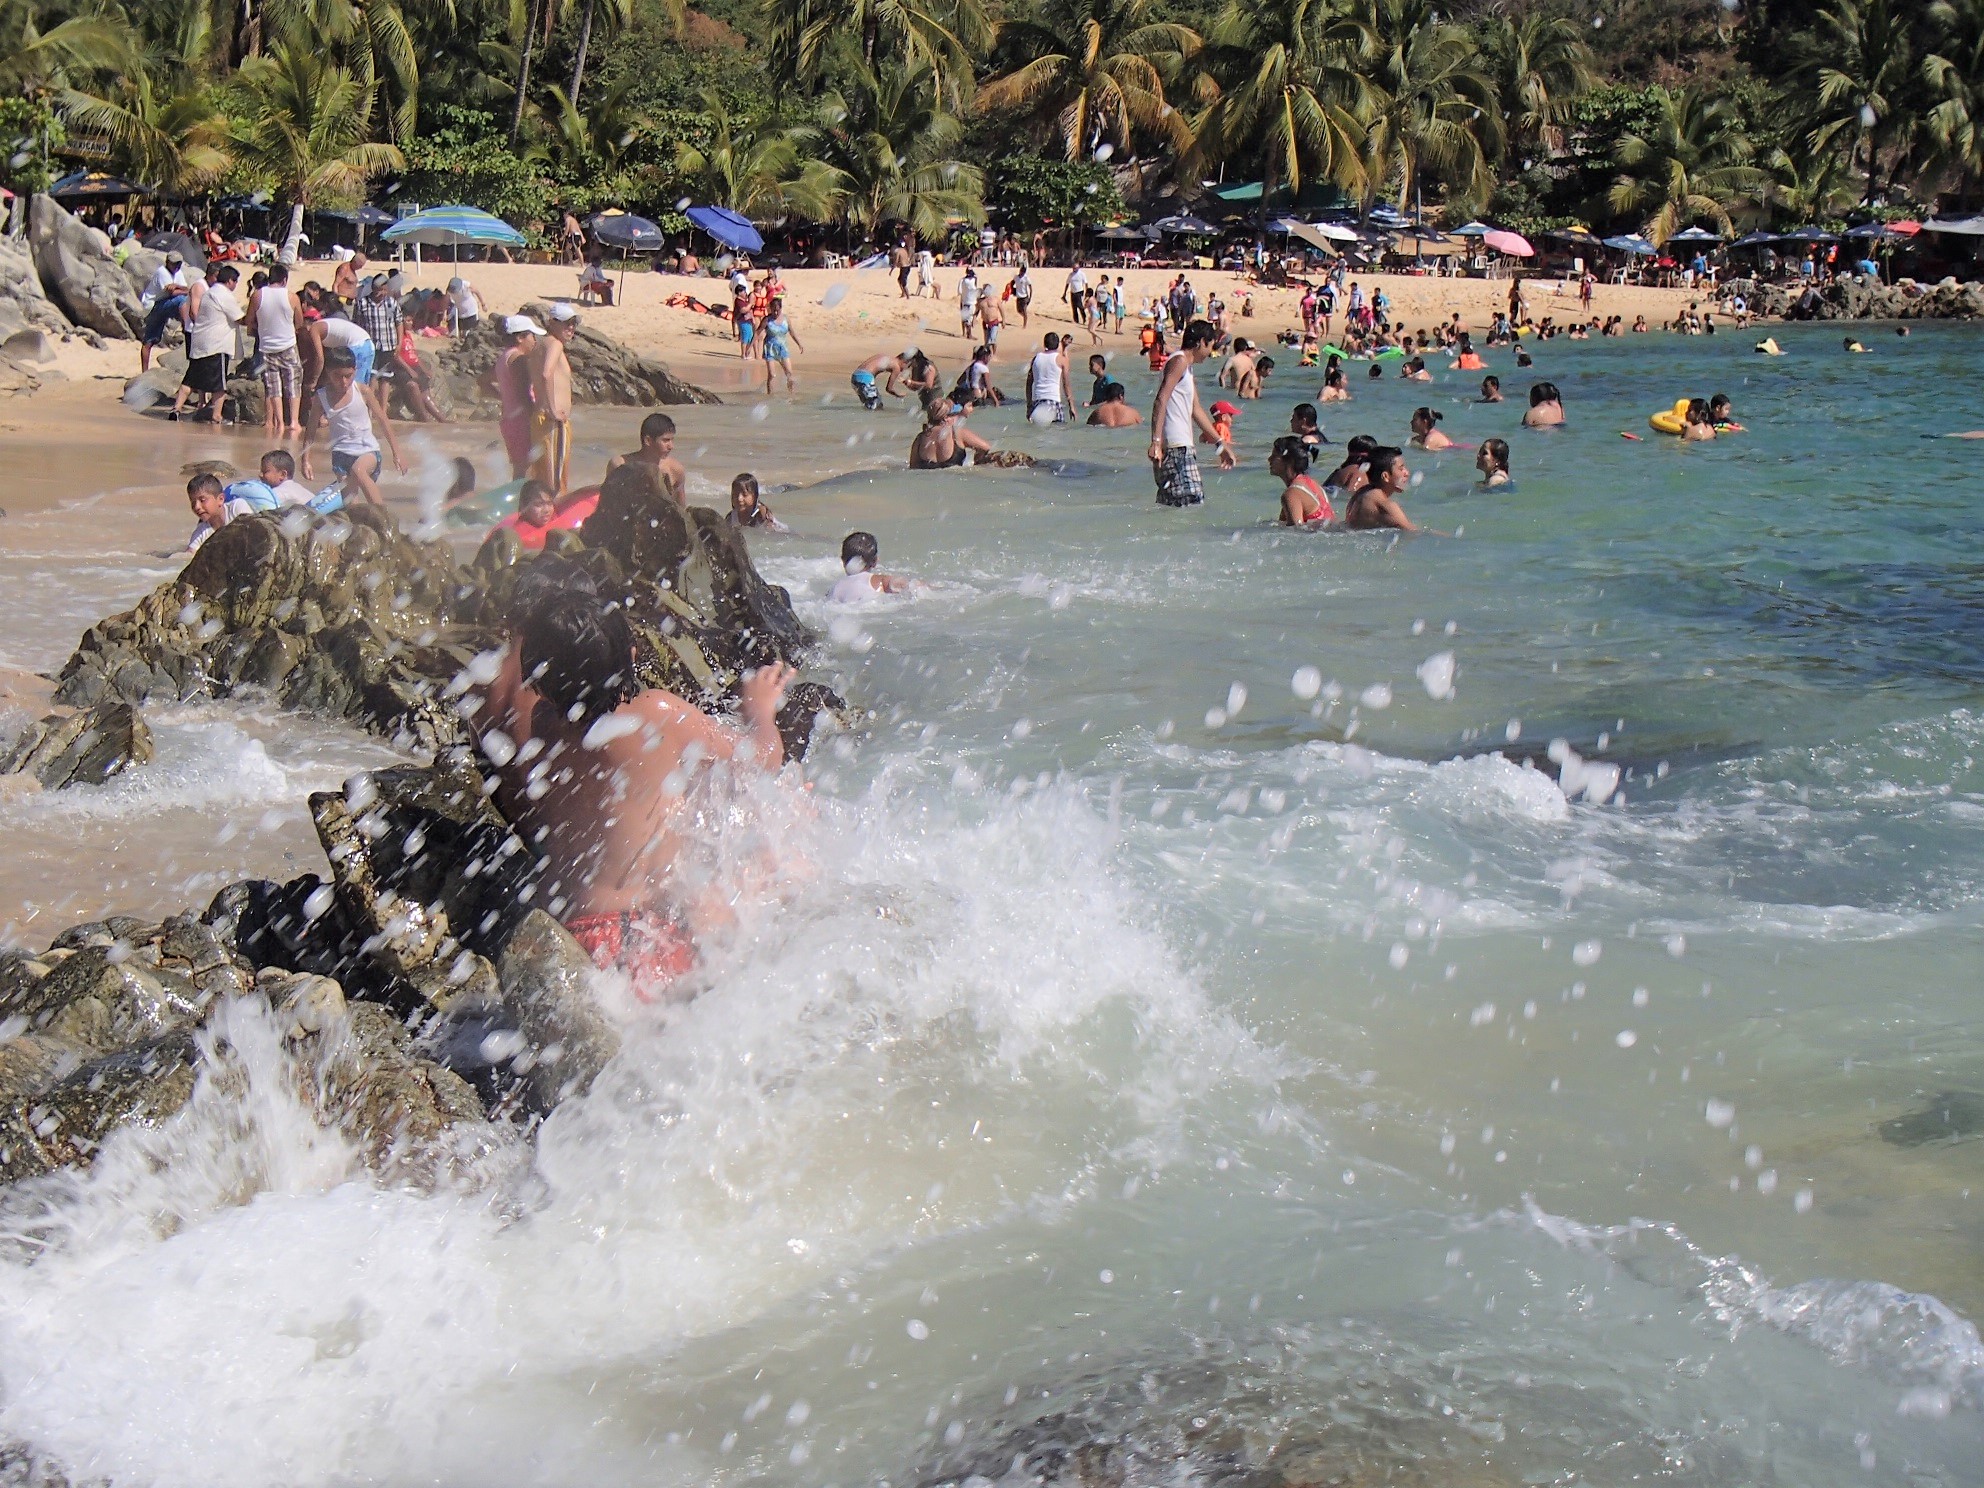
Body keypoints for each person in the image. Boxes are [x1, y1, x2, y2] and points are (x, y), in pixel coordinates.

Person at [470, 575, 796, 987]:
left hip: (571, 928)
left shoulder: (542, 725)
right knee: (777, 857)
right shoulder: (656, 713)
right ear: (633, 653)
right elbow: (764, 759)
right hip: (639, 935)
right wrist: (760, 709)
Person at [302, 344, 405, 505]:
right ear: (328, 372)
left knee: (359, 471)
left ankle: (382, 515)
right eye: (337, 376)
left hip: (367, 451)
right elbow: (311, 430)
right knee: (351, 505)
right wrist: (305, 460)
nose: (344, 382)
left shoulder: (363, 391)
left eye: (348, 376)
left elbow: (383, 420)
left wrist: (397, 453)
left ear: (355, 371)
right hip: (341, 456)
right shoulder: (321, 397)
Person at [1149, 318, 1236, 508]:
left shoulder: (1187, 367)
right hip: (1175, 448)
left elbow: (1196, 410)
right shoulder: (1179, 361)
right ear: (1200, 342)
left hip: (1181, 447)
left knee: (1177, 507)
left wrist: (1220, 445)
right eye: (1210, 346)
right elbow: (1161, 399)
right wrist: (1156, 442)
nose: (1210, 352)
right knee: (1192, 503)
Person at [169, 264, 243, 424]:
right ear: (230, 281)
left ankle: (176, 409)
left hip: (199, 344)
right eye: (235, 281)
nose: (235, 285)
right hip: (216, 346)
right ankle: (217, 416)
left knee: (190, 379)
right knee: (219, 385)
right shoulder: (224, 295)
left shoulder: (209, 293)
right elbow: (240, 318)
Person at [483, 315, 541, 480]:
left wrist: (504, 398)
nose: (534, 341)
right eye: (532, 336)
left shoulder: (505, 357)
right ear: (520, 337)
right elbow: (524, 396)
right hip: (522, 421)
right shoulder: (518, 359)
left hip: (510, 419)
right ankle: (521, 504)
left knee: (520, 470)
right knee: (528, 472)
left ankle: (517, 503)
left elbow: (483, 381)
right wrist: (536, 421)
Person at [531, 303, 578, 493]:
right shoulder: (555, 344)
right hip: (553, 421)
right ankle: (556, 519)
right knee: (557, 483)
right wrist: (551, 409)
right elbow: (546, 374)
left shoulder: (539, 345)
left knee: (543, 476)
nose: (571, 328)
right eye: (566, 323)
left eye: (574, 323)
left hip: (540, 418)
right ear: (551, 322)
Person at [606, 411, 687, 505]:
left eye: (672, 440)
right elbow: (608, 501)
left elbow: (681, 509)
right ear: (648, 440)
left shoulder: (675, 469)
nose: (671, 446)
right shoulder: (620, 465)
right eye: (665, 440)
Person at [1344, 446, 1424, 532]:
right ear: (1385, 476)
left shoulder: (1362, 492)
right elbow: (1414, 532)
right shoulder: (1386, 505)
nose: (1407, 473)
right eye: (1401, 469)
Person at [139, 250, 191, 374]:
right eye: (174, 264)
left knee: (183, 299)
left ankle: (186, 325)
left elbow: (185, 288)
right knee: (149, 340)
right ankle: (186, 326)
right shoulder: (162, 272)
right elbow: (173, 292)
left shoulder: (178, 273)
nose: (177, 267)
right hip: (153, 306)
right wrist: (181, 289)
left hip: (165, 303)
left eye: (178, 264)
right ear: (168, 262)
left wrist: (179, 287)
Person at [909, 394, 993, 468]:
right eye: (953, 414)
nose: (956, 417)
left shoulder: (920, 438)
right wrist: (976, 463)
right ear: (946, 417)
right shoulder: (957, 433)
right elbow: (986, 448)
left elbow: (913, 467)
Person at [184, 472, 260, 552]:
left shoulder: (237, 508)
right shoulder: (201, 532)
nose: (197, 507)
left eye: (202, 500)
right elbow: (189, 555)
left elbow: (254, 533)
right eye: (193, 502)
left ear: (220, 499)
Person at [831, 530, 913, 601]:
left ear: (843, 561)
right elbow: (901, 583)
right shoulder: (878, 581)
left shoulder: (834, 589)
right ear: (875, 561)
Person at [1272, 437, 1331, 527]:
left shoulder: (1292, 493)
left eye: (1274, 456)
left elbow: (1296, 533)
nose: (1269, 459)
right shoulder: (1312, 483)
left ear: (1289, 461)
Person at [852, 347, 918, 410]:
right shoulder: (896, 367)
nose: (904, 370)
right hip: (865, 378)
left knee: (870, 405)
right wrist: (898, 394)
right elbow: (889, 388)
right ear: (905, 362)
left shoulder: (885, 357)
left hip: (855, 376)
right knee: (876, 407)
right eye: (908, 366)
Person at [761, 296, 803, 394]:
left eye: (778, 310)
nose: (775, 313)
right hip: (770, 348)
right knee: (772, 375)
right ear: (770, 309)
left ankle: (791, 394)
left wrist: (799, 344)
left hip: (782, 348)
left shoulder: (786, 319)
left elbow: (792, 332)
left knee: (789, 374)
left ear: (781, 309)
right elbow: (758, 332)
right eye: (773, 310)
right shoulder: (767, 320)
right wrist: (749, 347)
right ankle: (769, 394)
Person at [1027, 332, 1071, 423]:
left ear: (1044, 344)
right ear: (1057, 344)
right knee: (1057, 432)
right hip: (1054, 401)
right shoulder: (1062, 360)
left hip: (1038, 402)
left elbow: (1029, 383)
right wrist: (1072, 406)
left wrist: (1029, 405)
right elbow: (1066, 384)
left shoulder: (1036, 358)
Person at [957, 268, 981, 340]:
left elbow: (959, 292)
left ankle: (964, 333)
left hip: (964, 301)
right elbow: (976, 280)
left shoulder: (962, 280)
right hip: (971, 302)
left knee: (964, 318)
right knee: (969, 319)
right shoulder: (972, 280)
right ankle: (969, 334)